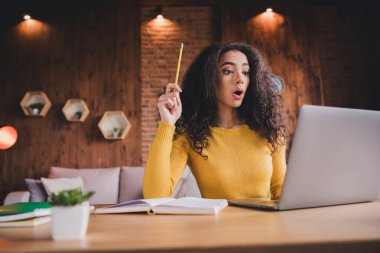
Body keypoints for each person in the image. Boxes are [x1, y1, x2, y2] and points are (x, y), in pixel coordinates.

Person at [143, 42, 286, 200]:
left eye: (246, 72)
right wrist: (167, 124)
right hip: (218, 225)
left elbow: (282, 192)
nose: (240, 79)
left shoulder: (270, 131)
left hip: (265, 224)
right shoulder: (189, 136)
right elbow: (155, 196)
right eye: (228, 71)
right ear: (209, 79)